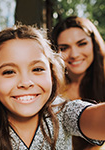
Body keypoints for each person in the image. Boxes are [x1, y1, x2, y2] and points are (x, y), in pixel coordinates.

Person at [0, 25, 105, 150]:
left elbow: (97, 120)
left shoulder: (63, 112)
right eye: (9, 72)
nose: (25, 82)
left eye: (37, 69)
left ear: (52, 76)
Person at [51, 16, 105, 150]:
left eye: (82, 44)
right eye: (64, 48)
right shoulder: (50, 91)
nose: (74, 54)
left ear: (94, 44)